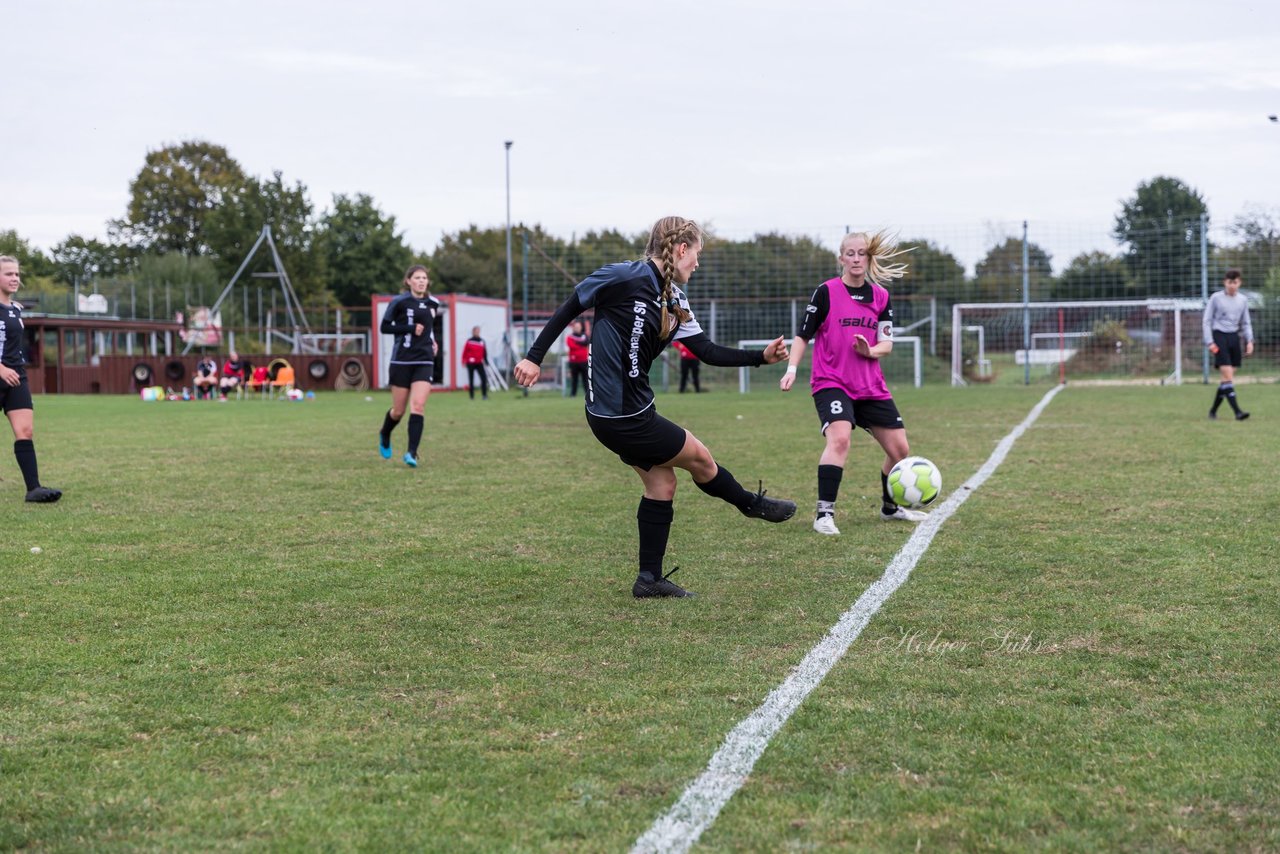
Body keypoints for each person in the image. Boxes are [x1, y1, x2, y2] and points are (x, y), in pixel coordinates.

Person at [515, 216, 796, 599]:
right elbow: (570, 306)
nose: (697, 263)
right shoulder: (623, 277)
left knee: (662, 483)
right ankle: (750, 504)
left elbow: (708, 352)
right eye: (696, 254)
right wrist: (534, 357)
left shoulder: (675, 302)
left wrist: (760, 358)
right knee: (701, 458)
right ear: (681, 249)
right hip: (621, 416)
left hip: (625, 413)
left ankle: (649, 579)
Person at [779, 230, 923, 535]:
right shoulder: (826, 292)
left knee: (900, 450)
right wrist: (792, 368)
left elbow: (886, 343)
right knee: (840, 439)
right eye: (850, 253)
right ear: (841, 258)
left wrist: (868, 350)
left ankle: (890, 507)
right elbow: (803, 336)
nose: (856, 259)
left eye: (862, 254)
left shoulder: (881, 296)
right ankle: (824, 514)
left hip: (870, 386)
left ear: (869, 258)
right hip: (831, 382)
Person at [0, 256, 60, 502]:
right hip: (1, 372)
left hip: (17, 377)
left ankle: (33, 489)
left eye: (16, 274)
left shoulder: (15, 308)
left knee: (25, 430)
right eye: (8, 274)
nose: (15, 278)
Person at [378, 264, 439, 466]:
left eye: (424, 278)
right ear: (408, 281)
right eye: (417, 277)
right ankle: (385, 433)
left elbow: (429, 329)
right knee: (398, 411)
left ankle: (411, 453)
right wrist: (410, 328)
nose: (422, 281)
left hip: (424, 360)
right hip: (402, 360)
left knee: (418, 406)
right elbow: (384, 327)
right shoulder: (399, 302)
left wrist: (433, 341)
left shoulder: (433, 303)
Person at [1204, 268, 1254, 421]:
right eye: (1229, 282)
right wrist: (1209, 342)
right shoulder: (1216, 298)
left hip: (1234, 337)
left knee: (1227, 379)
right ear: (1225, 282)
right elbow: (1206, 321)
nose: (1232, 285)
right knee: (1227, 376)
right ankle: (1238, 412)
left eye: (1235, 282)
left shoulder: (1243, 300)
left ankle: (1212, 411)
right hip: (1219, 336)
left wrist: (1250, 341)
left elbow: (1246, 323)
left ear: (1239, 283)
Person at [461, 326, 490, 400]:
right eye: (476, 331)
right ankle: (472, 396)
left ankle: (484, 395)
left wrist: (486, 361)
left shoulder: (482, 341)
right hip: (470, 363)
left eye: (478, 331)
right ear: (473, 332)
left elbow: (484, 352)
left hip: (479, 362)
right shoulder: (469, 341)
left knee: (483, 378)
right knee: (471, 380)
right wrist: (463, 361)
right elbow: (465, 351)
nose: (477, 332)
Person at [565, 319, 590, 396]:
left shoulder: (584, 336)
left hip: (584, 361)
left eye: (578, 326)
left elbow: (586, 343)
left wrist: (578, 343)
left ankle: (588, 394)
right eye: (575, 327)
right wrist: (581, 345)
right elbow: (572, 346)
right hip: (574, 361)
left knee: (585, 379)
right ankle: (573, 394)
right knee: (574, 379)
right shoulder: (570, 337)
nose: (577, 328)